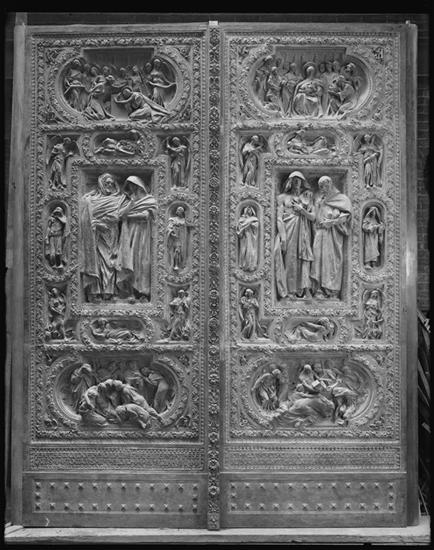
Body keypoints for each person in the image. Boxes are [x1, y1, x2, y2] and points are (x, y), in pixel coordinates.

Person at [80, 172, 132, 302]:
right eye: (106, 183)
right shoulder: (92, 199)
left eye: (111, 183)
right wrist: (97, 223)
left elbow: (120, 215)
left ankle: (109, 291)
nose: (109, 185)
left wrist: (131, 202)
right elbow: (86, 214)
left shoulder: (119, 199)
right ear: (101, 184)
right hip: (95, 234)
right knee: (96, 260)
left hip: (112, 232)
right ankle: (95, 291)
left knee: (111, 260)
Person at [274, 171, 315, 299]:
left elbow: (313, 217)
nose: (297, 183)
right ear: (290, 182)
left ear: (302, 182)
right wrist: (283, 237)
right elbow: (279, 218)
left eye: (299, 180)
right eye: (294, 180)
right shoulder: (282, 198)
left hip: (303, 231)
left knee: (302, 260)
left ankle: (302, 290)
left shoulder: (307, 198)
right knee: (290, 259)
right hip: (289, 229)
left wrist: (302, 210)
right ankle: (290, 290)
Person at [310, 175, 352, 298]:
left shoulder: (341, 199)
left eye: (325, 185)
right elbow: (314, 218)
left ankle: (331, 290)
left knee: (331, 260)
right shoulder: (319, 199)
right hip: (320, 232)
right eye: (320, 186)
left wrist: (332, 222)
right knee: (317, 259)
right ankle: (318, 288)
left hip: (333, 235)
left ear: (330, 184)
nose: (323, 188)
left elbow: (346, 217)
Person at [117, 175, 157, 301]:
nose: (132, 189)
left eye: (134, 186)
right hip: (130, 233)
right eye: (130, 187)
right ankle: (131, 292)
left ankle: (143, 292)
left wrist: (129, 216)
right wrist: (131, 204)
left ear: (140, 186)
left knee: (143, 261)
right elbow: (120, 215)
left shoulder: (149, 200)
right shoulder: (129, 201)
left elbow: (146, 216)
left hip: (144, 234)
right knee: (130, 260)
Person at [167, 206, 189, 272]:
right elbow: (169, 227)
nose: (178, 212)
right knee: (177, 250)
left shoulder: (184, 220)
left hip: (183, 238)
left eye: (180, 211)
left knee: (181, 251)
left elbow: (189, 226)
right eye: (178, 210)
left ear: (182, 212)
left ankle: (180, 264)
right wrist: (172, 233)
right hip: (176, 237)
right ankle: (175, 265)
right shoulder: (173, 219)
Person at [237, 206, 259, 271]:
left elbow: (256, 226)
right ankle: (243, 264)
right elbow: (240, 227)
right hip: (244, 238)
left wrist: (249, 224)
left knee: (251, 251)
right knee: (244, 250)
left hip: (252, 238)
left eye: (250, 210)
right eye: (248, 210)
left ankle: (251, 265)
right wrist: (247, 224)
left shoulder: (254, 219)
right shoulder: (242, 219)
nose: (249, 211)